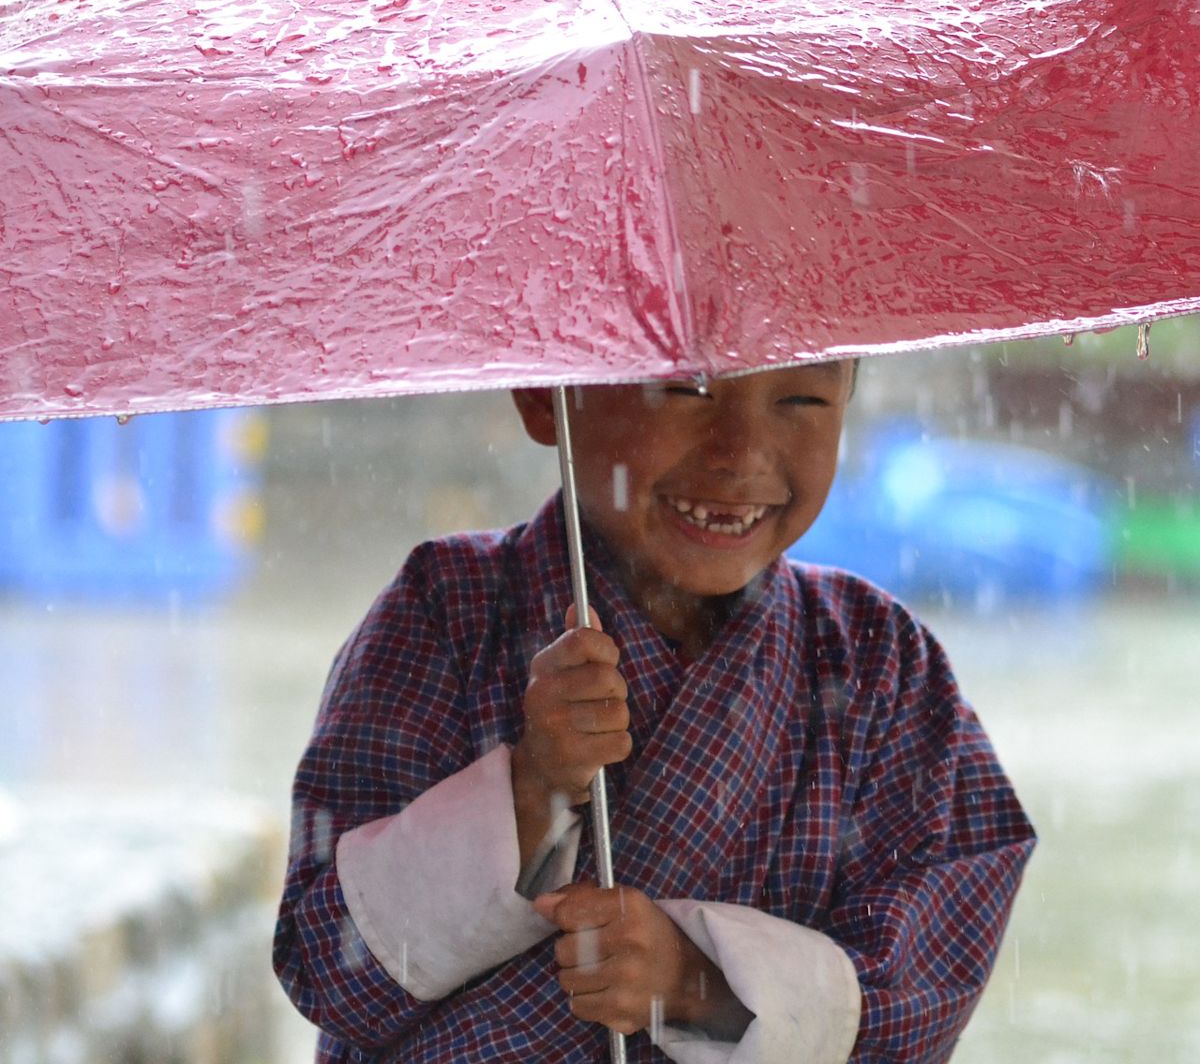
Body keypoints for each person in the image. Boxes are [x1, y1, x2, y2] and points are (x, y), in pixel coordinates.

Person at [273, 362, 1035, 1063]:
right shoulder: (445, 612)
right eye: (687, 389)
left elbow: (930, 983)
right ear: (550, 396)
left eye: (802, 399)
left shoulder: (880, 662)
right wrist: (536, 791)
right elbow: (328, 966)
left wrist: (700, 988)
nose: (740, 454)